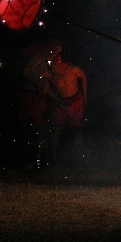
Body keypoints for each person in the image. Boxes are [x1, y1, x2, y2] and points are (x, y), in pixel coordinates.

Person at [18, 39, 58, 168]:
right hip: (31, 95)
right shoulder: (38, 58)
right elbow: (26, 71)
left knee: (37, 129)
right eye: (55, 50)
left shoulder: (47, 63)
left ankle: (34, 160)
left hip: (39, 97)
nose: (56, 53)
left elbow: (47, 85)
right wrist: (37, 82)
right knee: (29, 127)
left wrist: (60, 101)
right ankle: (25, 160)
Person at [46, 44, 87, 166]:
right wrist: (57, 99)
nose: (51, 64)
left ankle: (80, 157)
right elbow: (46, 87)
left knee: (78, 129)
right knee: (56, 130)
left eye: (53, 62)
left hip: (75, 101)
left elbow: (83, 77)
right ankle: (53, 157)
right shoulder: (49, 73)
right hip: (60, 103)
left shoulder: (72, 69)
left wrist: (85, 95)